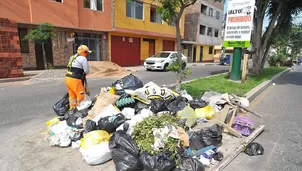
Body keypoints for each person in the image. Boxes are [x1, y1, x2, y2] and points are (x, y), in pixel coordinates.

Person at [65, 45, 91, 109]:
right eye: (87, 52)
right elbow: (86, 71)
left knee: (72, 96)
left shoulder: (72, 57)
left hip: (68, 78)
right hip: (75, 79)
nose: (87, 54)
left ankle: (72, 110)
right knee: (80, 96)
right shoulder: (83, 58)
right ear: (84, 52)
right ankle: (79, 110)